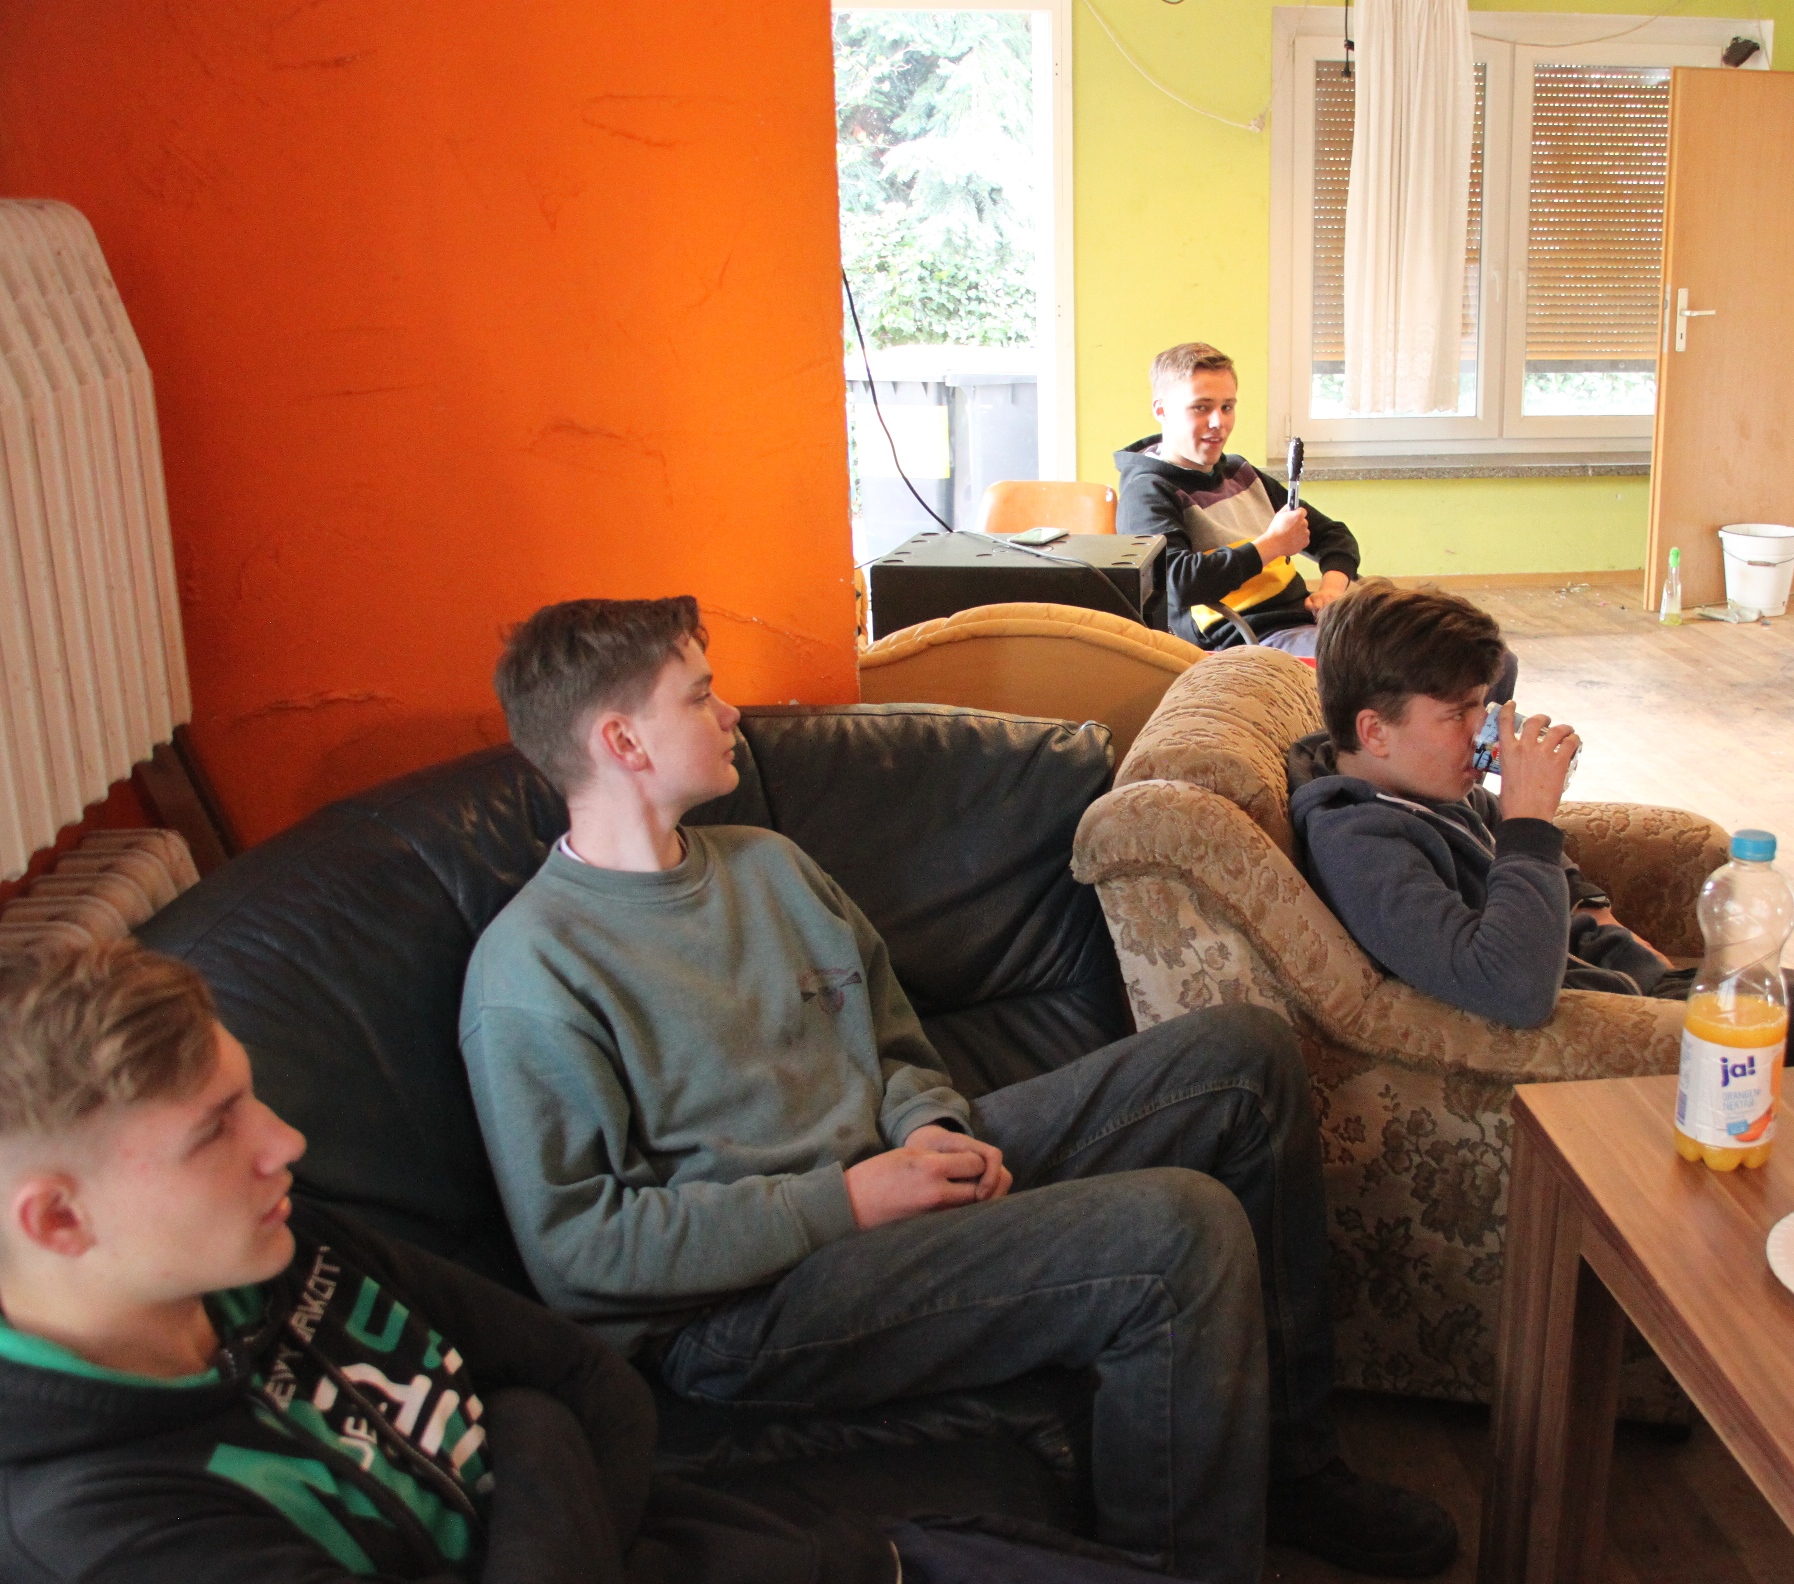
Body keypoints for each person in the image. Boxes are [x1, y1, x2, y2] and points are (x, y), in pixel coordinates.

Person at [458, 596, 1458, 1584]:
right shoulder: (532, 970)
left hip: (887, 1177)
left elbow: (892, 1040)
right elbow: (579, 1250)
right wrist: (848, 1201)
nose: (730, 715)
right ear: (623, 741)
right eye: (700, 695)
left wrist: (926, 1123)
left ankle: (1291, 1465)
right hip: (744, 1309)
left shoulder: (769, 868)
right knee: (1179, 1231)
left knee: (1244, 1057)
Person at [0, 941, 907, 1584]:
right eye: (213, 1130)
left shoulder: (284, 1240)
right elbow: (546, 1407)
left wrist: (541, 1453)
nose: (285, 1142)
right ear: (59, 1219)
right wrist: (531, 1433)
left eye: (249, 1096)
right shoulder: (94, 1526)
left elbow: (591, 1384)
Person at [1287, 582, 1794, 1059]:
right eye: (1459, 714)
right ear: (1374, 730)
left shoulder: (1418, 785)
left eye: (1482, 705)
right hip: (1646, 1041)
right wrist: (1530, 825)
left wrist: (1599, 914)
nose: (1483, 731)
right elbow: (1510, 986)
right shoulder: (1361, 844)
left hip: (1662, 991)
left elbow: (1521, 857)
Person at [1115, 342, 1360, 657]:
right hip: (1246, 640)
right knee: (1371, 664)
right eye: (1201, 407)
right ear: (1161, 410)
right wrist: (1271, 546)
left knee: (1409, 638)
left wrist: (1331, 591)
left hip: (1303, 622)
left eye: (1227, 407)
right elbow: (1175, 583)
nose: (1218, 422)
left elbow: (1335, 536)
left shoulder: (1241, 473)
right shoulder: (1146, 492)